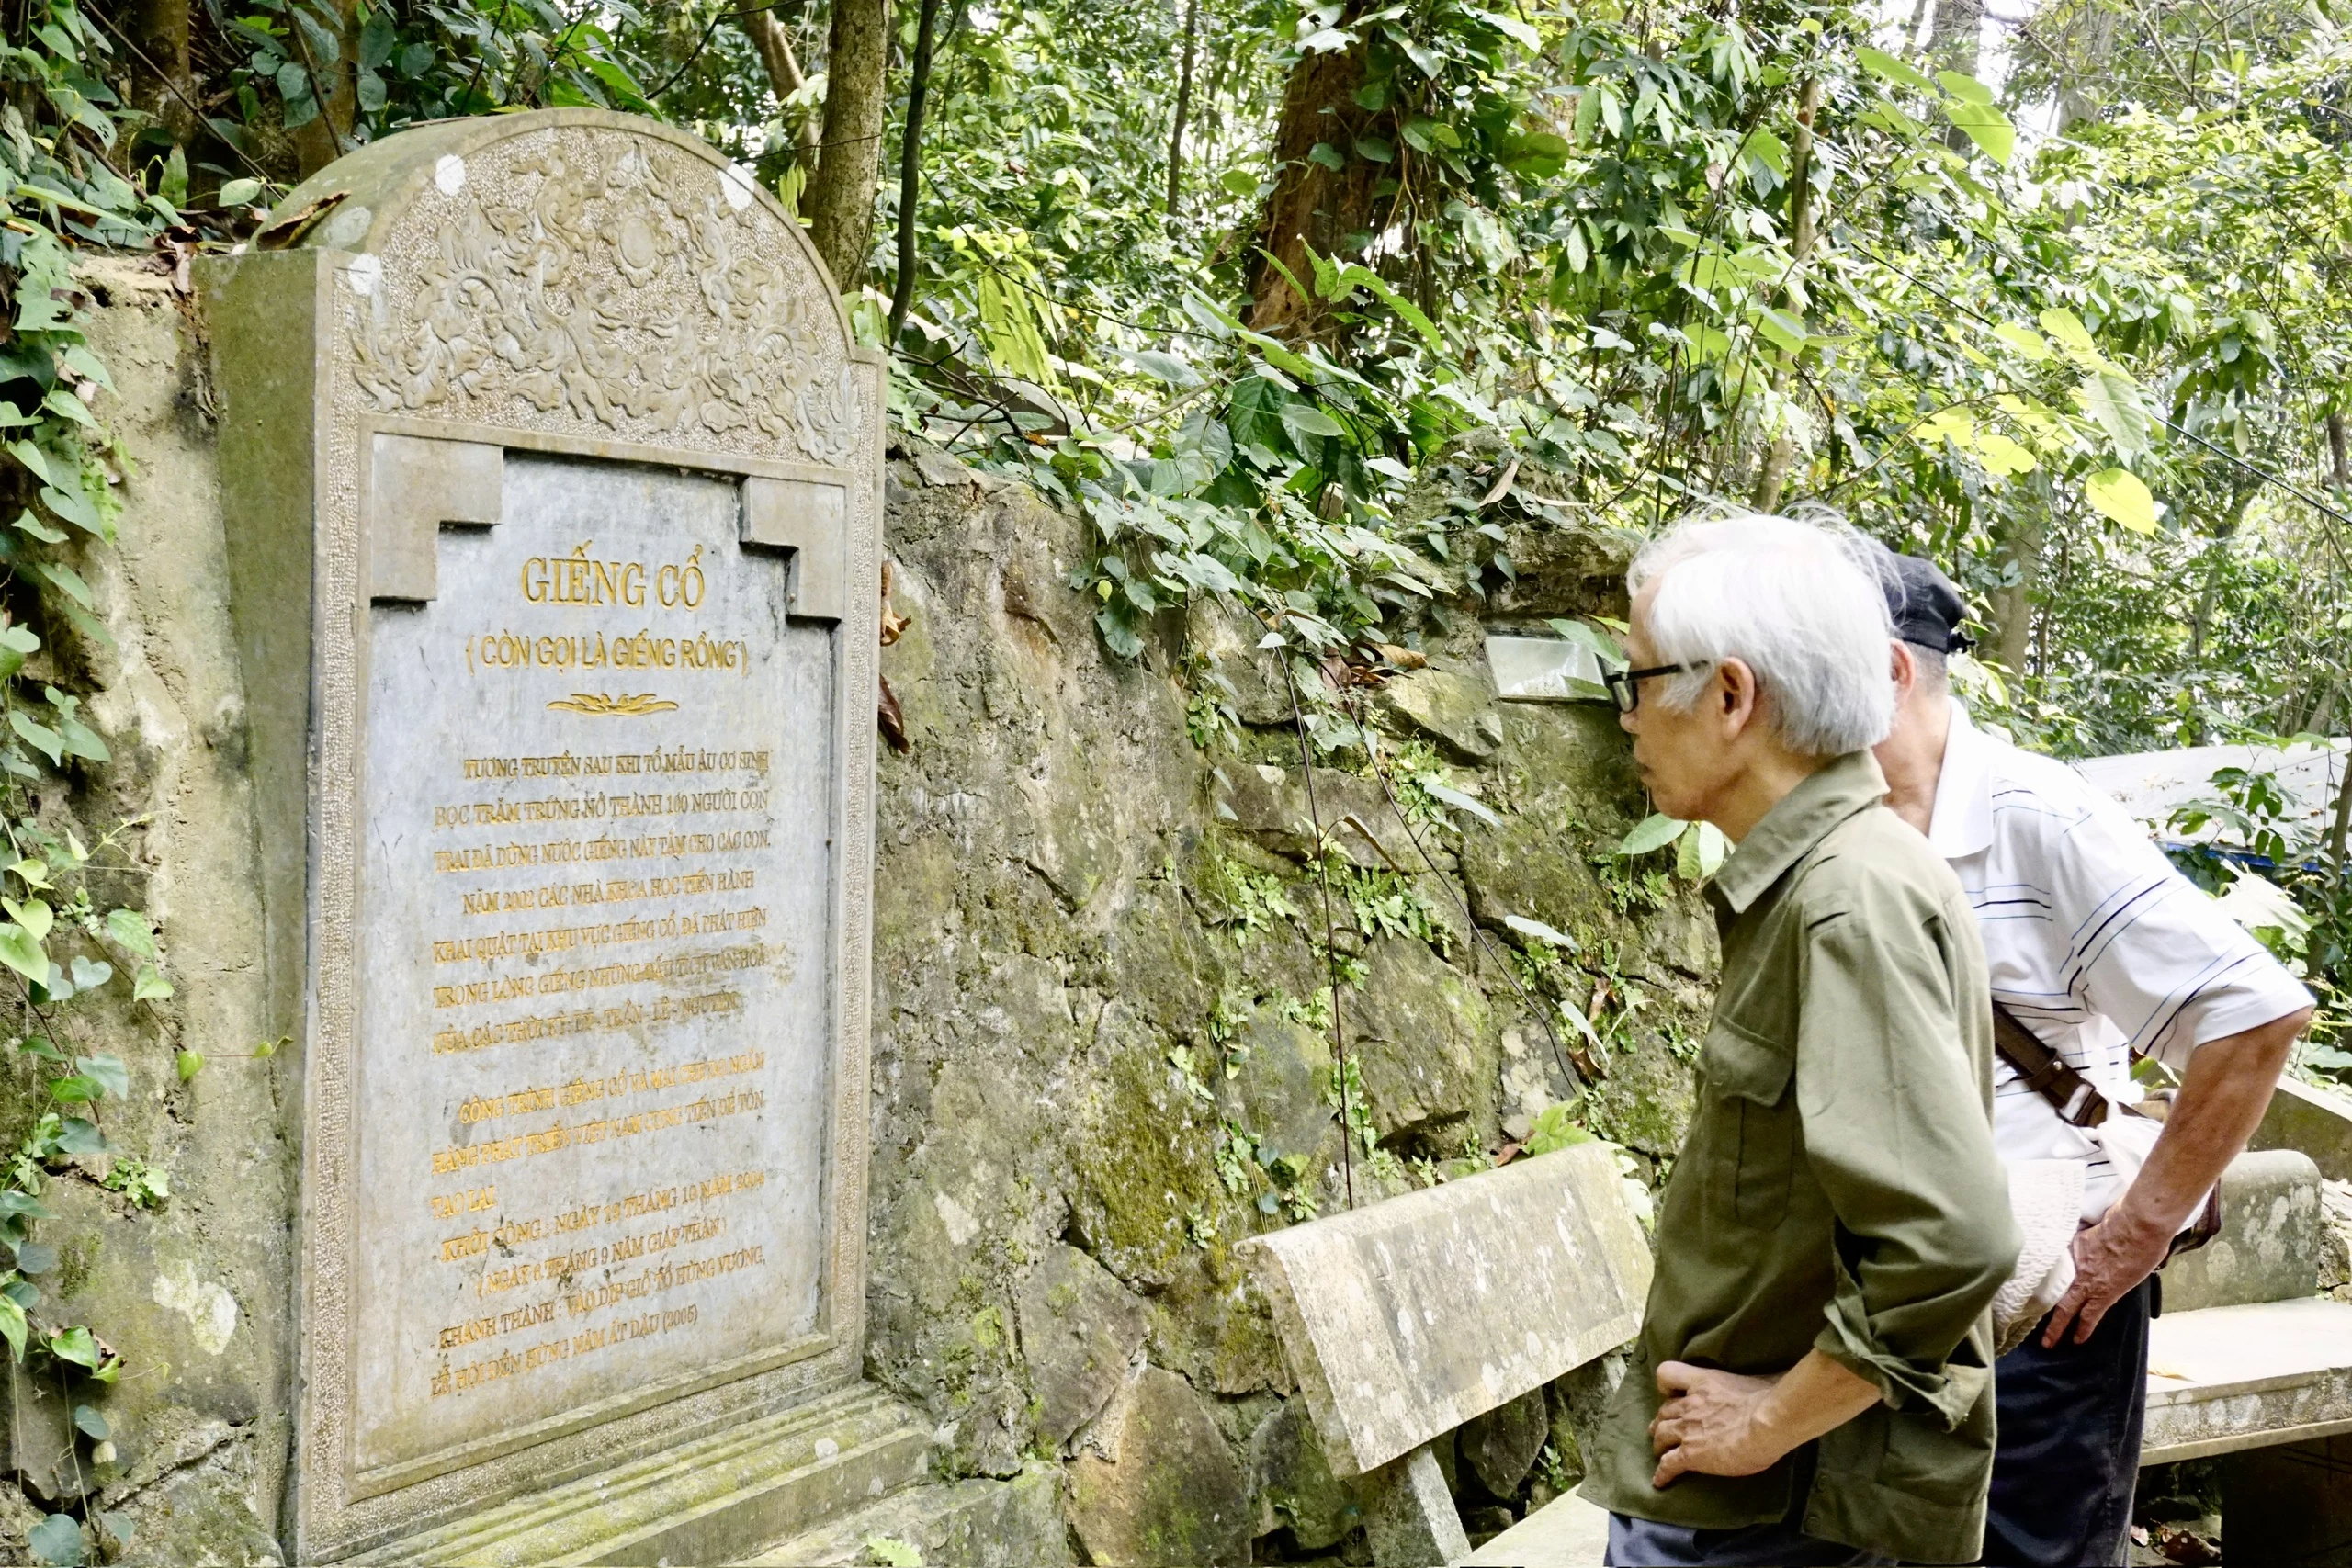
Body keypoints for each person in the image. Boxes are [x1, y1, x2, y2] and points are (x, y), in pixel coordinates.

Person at [1577, 512, 2019, 1568]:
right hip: (1744, 1506)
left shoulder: (1846, 903)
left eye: (1636, 681)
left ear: (1729, 697)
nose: (1627, 720)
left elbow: (1952, 1242)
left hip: (1771, 1518)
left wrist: (1768, 1421)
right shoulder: (1837, 877)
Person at [1869, 550, 2314, 1568]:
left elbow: (2253, 1014)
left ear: (1891, 670)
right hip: (1892, 1295)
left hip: (2047, 1294)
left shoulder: (2036, 816)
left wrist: (2134, 1236)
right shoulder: (1835, 824)